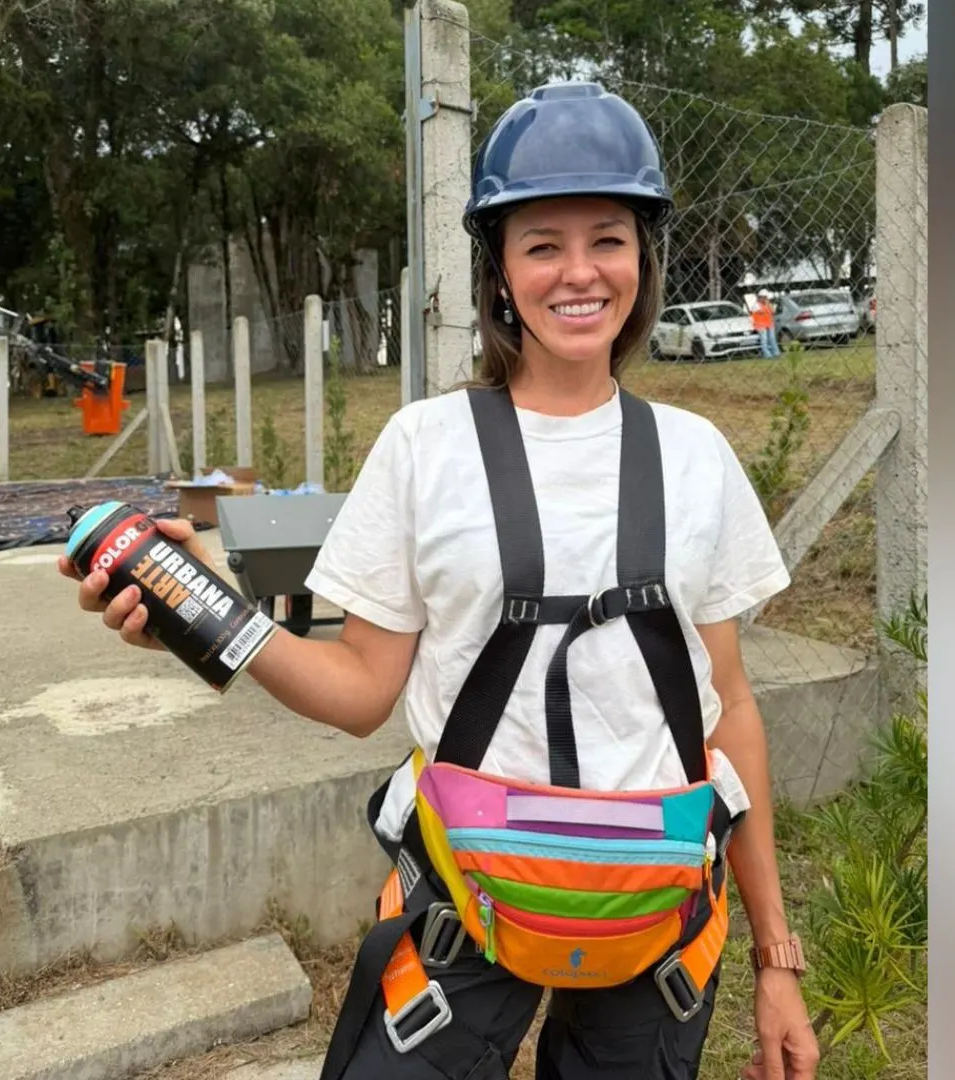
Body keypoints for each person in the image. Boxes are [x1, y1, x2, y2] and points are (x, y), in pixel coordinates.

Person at [59, 82, 819, 1080]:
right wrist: (219, 619)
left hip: (658, 914)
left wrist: (775, 956)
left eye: (609, 237)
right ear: (499, 273)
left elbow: (732, 712)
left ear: (644, 256)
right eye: (542, 243)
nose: (579, 272)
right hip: (465, 902)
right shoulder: (427, 447)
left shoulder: (697, 455)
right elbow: (361, 691)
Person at [752, 291, 782, 358]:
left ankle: (776, 353)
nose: (766, 299)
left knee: (772, 339)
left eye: (766, 297)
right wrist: (766, 306)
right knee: (764, 340)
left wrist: (768, 304)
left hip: (769, 324)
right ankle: (767, 355)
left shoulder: (767, 304)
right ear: (760, 297)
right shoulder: (756, 305)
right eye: (765, 297)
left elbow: (773, 311)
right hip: (760, 325)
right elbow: (760, 312)